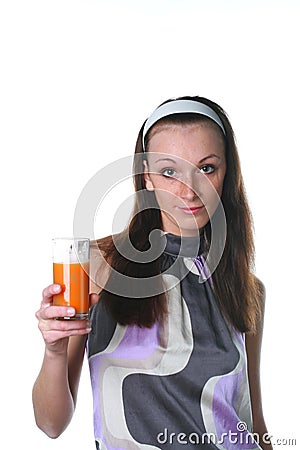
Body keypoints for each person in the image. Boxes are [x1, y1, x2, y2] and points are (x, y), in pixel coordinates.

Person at [33, 96, 272, 450]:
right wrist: (54, 352)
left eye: (206, 168)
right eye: (169, 171)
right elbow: (51, 424)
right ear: (145, 177)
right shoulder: (98, 266)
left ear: (227, 175)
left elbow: (253, 421)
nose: (188, 189)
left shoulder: (246, 288)